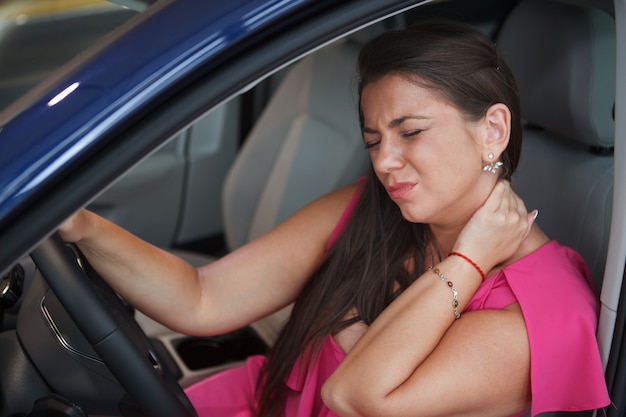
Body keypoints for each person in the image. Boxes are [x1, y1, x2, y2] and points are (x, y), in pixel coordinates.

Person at [59, 20, 610, 417]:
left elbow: (356, 396)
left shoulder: (540, 318)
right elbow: (201, 298)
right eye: (373, 140)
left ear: (492, 130)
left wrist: (468, 260)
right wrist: (77, 224)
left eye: (410, 132)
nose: (385, 161)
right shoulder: (372, 210)